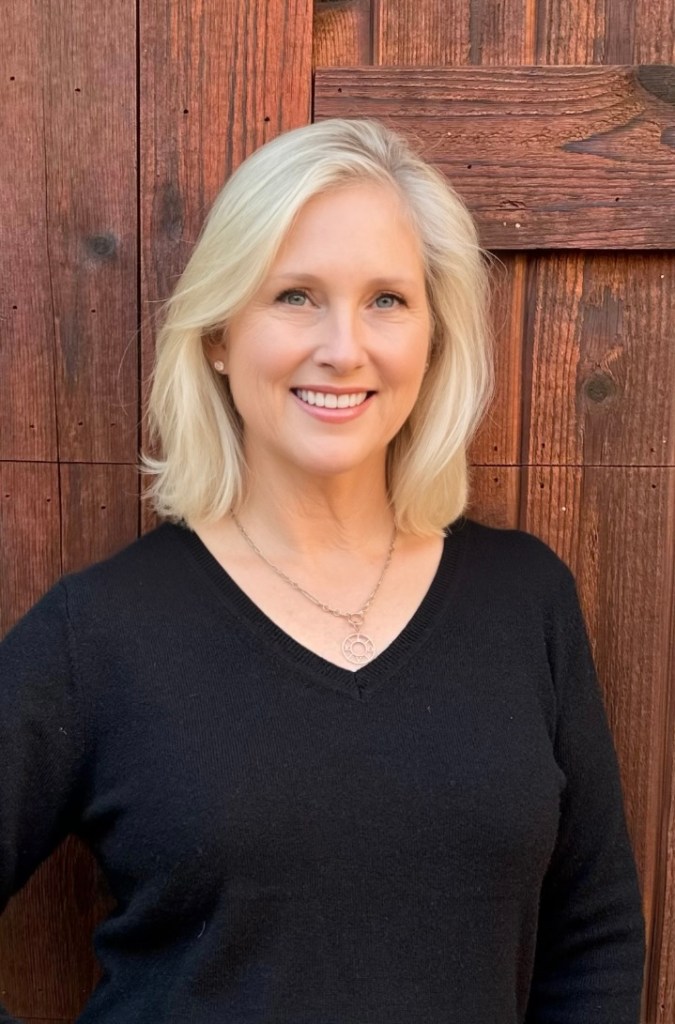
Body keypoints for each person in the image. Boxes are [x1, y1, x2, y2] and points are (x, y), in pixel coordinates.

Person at [0, 118, 644, 1023]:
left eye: (387, 300)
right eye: (295, 295)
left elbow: (593, 938)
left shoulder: (524, 601)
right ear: (218, 333)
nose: (343, 347)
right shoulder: (98, 634)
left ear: (432, 338)